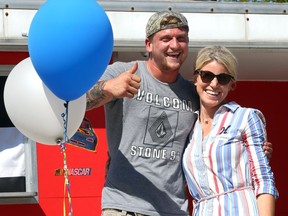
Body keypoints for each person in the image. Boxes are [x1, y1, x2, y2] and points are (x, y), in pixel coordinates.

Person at [86, 11, 273, 216]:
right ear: (148, 44)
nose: (174, 45)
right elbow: (75, 100)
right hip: (125, 206)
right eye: (165, 38)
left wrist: (252, 149)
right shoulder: (124, 72)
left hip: (174, 210)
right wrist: (107, 88)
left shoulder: (193, 94)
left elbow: (221, 133)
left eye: (181, 39)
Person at [182, 46, 278, 216]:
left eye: (223, 78)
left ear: (232, 85)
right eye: (207, 75)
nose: (214, 84)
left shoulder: (245, 117)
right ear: (196, 78)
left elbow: (264, 180)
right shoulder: (188, 127)